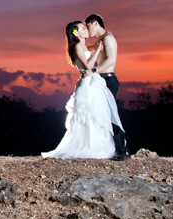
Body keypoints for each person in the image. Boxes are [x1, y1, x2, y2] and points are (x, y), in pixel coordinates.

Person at [41, 21, 124, 159]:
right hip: (87, 84)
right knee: (87, 116)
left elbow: (94, 49)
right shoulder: (78, 47)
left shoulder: (83, 47)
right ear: (76, 33)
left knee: (96, 114)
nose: (86, 30)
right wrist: (97, 51)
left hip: (92, 83)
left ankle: (101, 145)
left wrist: (100, 43)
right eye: (83, 28)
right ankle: (88, 146)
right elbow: (88, 67)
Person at [85, 14, 130, 160]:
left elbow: (112, 59)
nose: (88, 29)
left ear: (95, 23)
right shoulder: (101, 41)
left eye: (88, 26)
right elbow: (85, 48)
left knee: (111, 114)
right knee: (101, 113)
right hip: (101, 80)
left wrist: (95, 71)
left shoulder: (109, 38)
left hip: (108, 79)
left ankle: (123, 150)